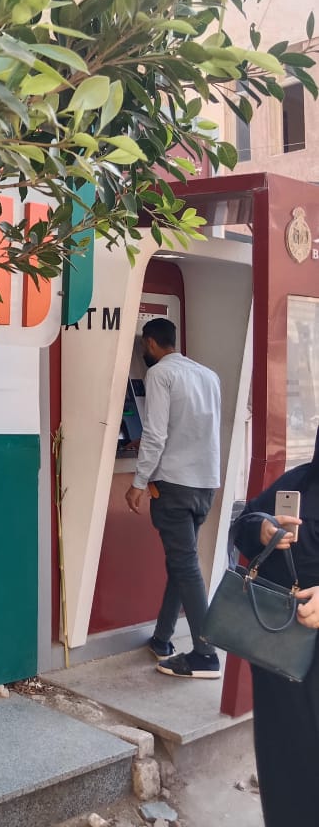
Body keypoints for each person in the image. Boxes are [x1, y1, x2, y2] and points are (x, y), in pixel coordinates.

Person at [124, 317, 222, 679]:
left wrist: (138, 482)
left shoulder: (160, 374)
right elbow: (200, 429)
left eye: (142, 346)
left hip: (174, 485)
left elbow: (156, 433)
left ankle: (205, 654)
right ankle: (162, 639)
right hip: (204, 484)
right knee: (182, 564)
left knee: (185, 565)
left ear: (150, 343)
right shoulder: (208, 375)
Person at [233, 431, 319, 827]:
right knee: (284, 766)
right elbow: (244, 524)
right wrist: (263, 530)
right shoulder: (300, 483)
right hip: (280, 660)